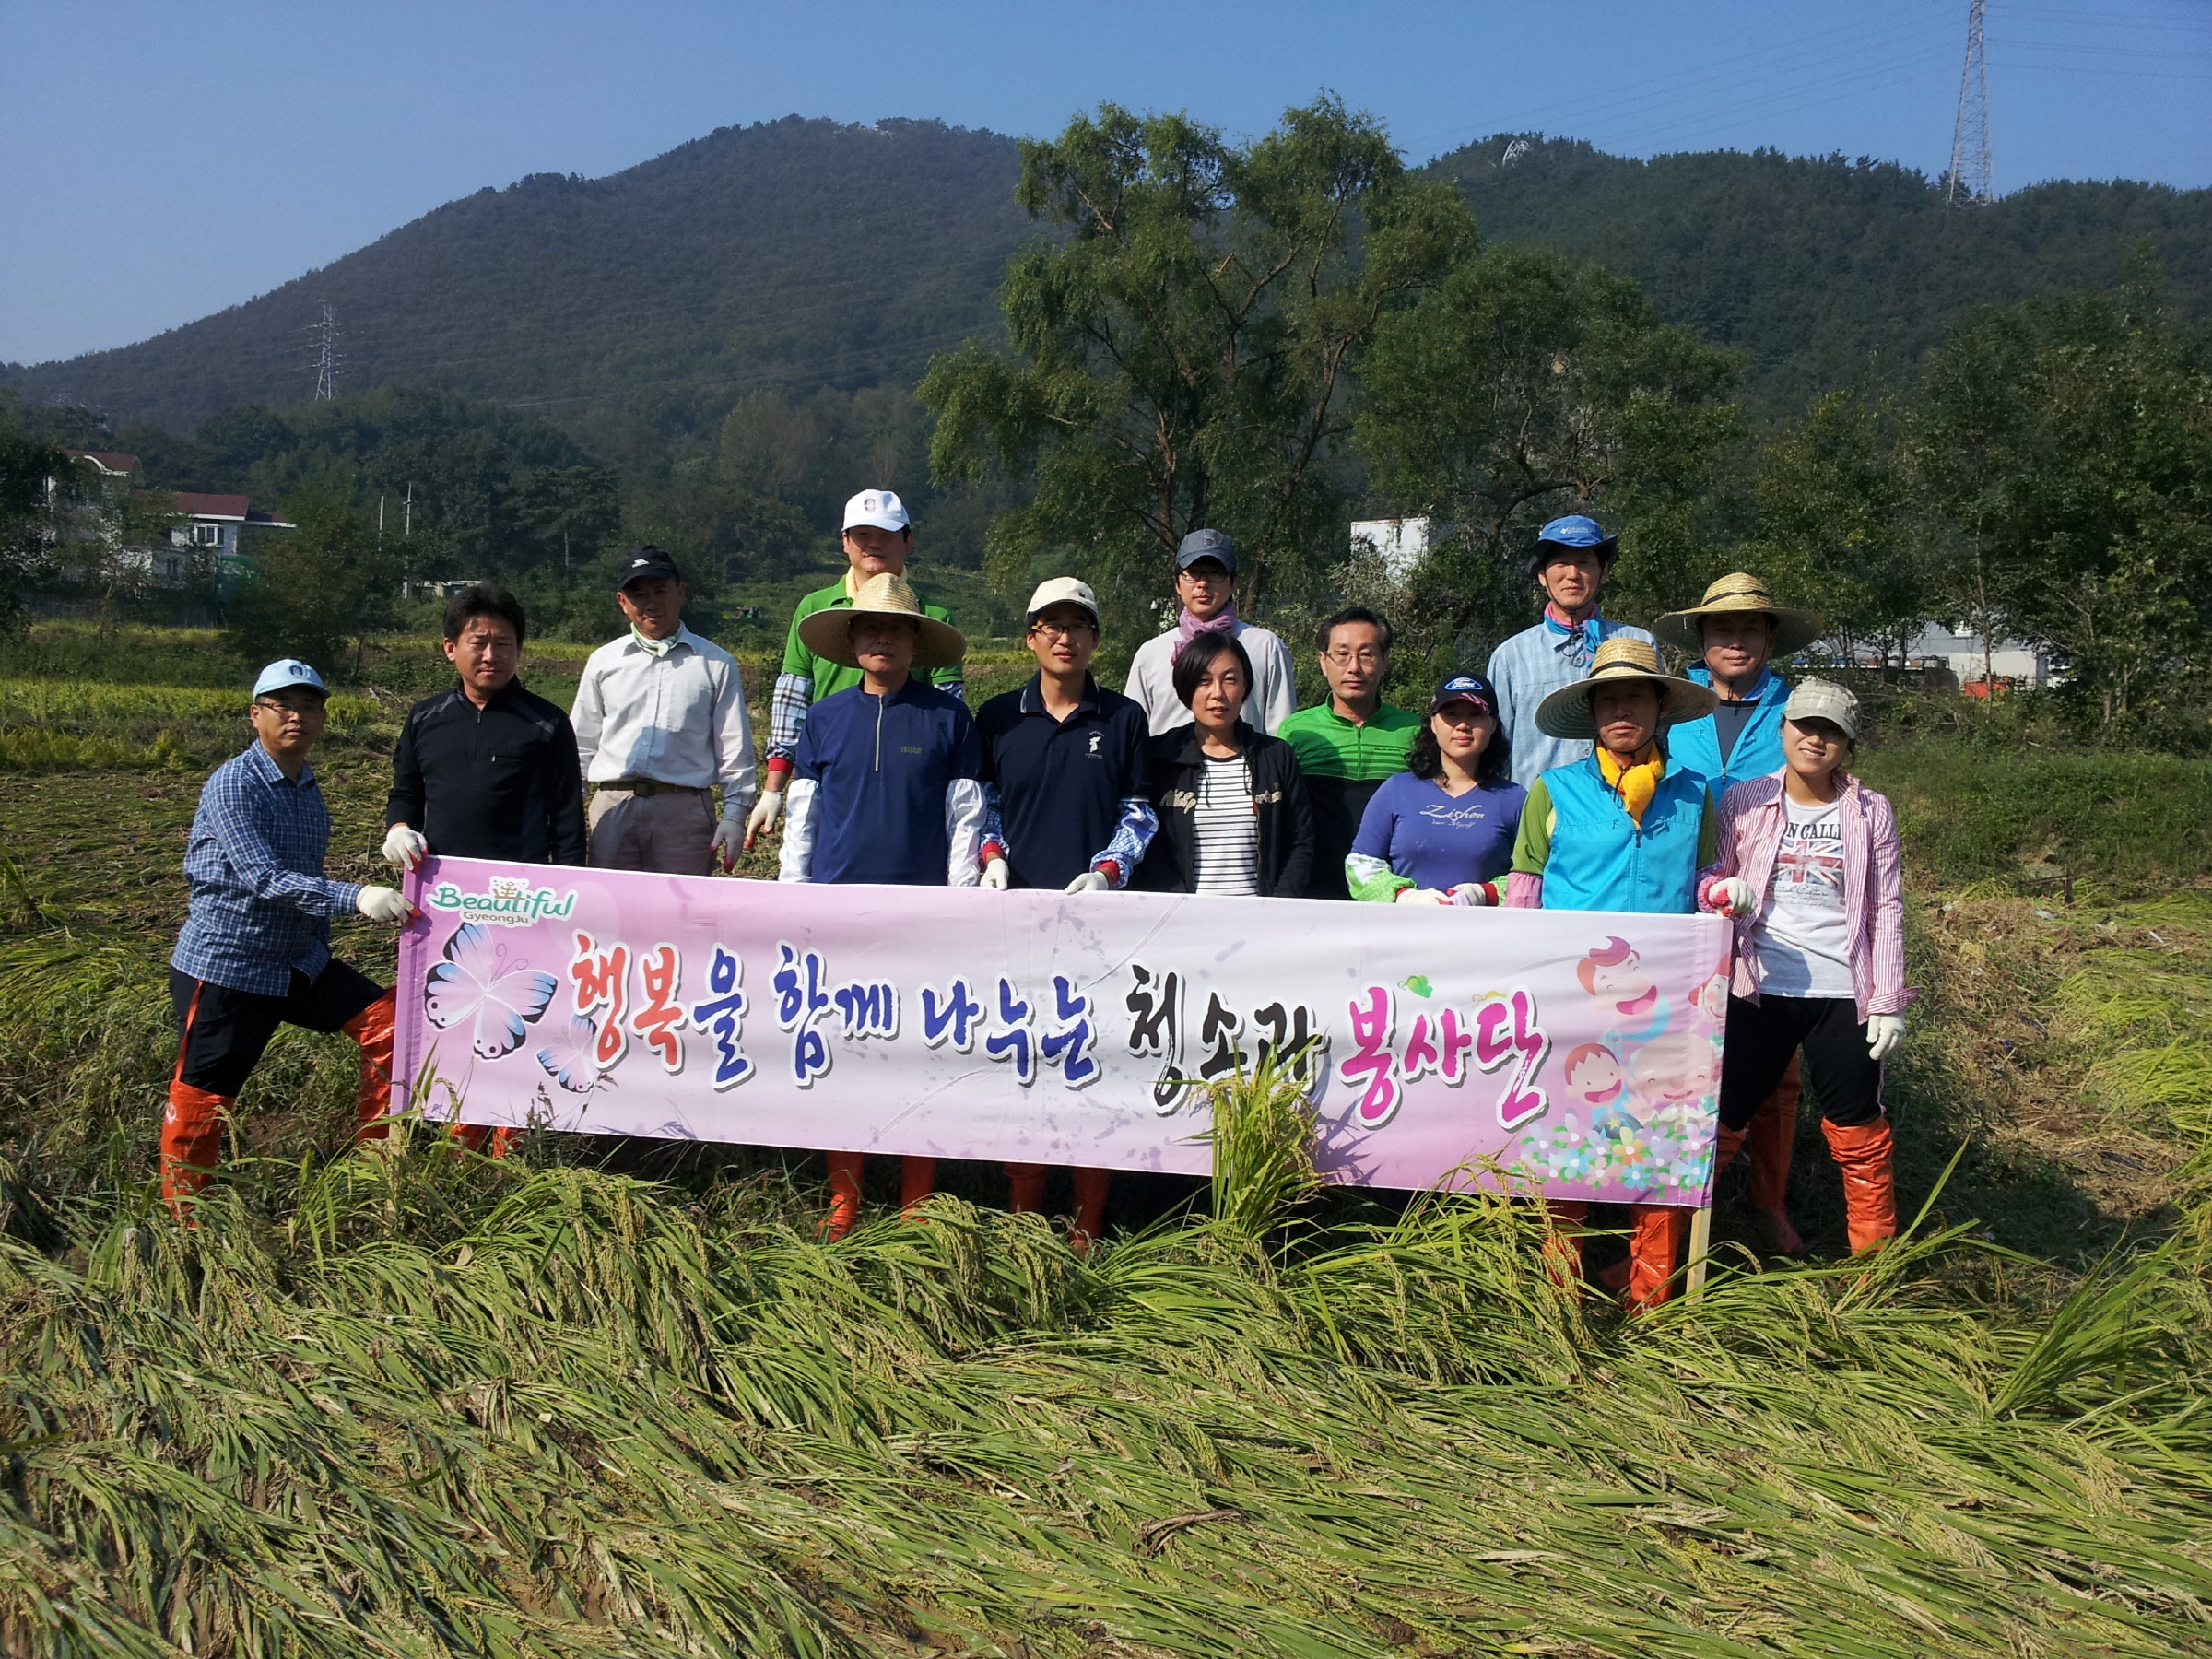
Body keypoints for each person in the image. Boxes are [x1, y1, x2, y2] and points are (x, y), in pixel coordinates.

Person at [1507, 637, 1719, 1312]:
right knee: (1565, 1139)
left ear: (1661, 706)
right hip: (1573, 1001)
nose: (1622, 708)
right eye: (1609, 698)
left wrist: (1722, 895)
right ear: (1592, 711)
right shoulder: (1554, 790)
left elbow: (1707, 880)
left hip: (1669, 1009)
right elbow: (1524, 891)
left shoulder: (1694, 795)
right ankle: (1557, 1286)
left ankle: (1650, 1289)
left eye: (1636, 695)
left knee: (1660, 1141)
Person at [162, 660, 415, 1213]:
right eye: (282, 706)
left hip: (299, 959)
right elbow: (263, 877)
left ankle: (375, 1170)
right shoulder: (235, 783)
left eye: (309, 706)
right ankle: (187, 1223)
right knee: (205, 1097)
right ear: (257, 716)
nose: (296, 717)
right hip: (231, 963)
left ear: (323, 717)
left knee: (397, 1034)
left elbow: (298, 875)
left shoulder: (306, 788)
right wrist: (357, 897)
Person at [779, 571, 987, 1239]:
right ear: (851, 639)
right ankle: (845, 1196)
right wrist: (794, 897)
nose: (882, 640)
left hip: (921, 916)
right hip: (840, 913)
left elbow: (965, 817)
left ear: (914, 641)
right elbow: (803, 816)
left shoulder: (948, 717)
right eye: (870, 628)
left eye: (896, 630)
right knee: (847, 1054)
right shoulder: (824, 718)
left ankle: (917, 1197)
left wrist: (957, 905)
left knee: (919, 1054)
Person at [975, 576, 1157, 1243]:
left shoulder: (1123, 718)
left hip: (1096, 923)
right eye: (1050, 625)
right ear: (1030, 637)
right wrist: (990, 857)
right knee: (1023, 1060)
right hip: (1013, 919)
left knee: (1092, 1062)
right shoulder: (996, 717)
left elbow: (1138, 813)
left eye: (1077, 626)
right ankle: (1023, 1211)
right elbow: (980, 808)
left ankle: (1089, 1216)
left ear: (1095, 640)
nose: (1064, 637)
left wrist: (1109, 872)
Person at [1700, 681, 1907, 1258]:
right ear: (1783, 729)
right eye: (1805, 726)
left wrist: (1887, 1000)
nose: (1816, 740)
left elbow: (1884, 905)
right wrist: (1718, 888)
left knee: (1860, 1129)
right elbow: (1711, 875)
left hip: (1843, 991)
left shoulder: (1870, 810)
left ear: (1849, 743)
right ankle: (1673, 1250)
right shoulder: (1744, 800)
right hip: (1757, 986)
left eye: (1832, 731)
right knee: (1720, 1123)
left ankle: (1873, 1264)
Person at [1653, 571, 1826, 1250]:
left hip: (1777, 909)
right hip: (1687, 901)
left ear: (1770, 638)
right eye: (1722, 628)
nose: (1735, 640)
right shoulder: (1675, 708)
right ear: (1701, 638)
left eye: (1749, 628)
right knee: (1681, 1054)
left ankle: (1768, 1201)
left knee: (1777, 1067)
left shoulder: (1799, 707)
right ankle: (1675, 1202)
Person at [747, 489, 963, 848]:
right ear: (845, 542)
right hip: (830, 771)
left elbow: (948, 712)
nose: (873, 545)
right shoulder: (815, 608)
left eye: (886, 536)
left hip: (908, 778)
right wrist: (773, 789)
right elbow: (792, 700)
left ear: (908, 541)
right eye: (862, 535)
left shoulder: (934, 616)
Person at [571, 547, 757, 876]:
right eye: (639, 595)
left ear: (680, 593)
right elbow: (582, 742)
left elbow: (733, 746)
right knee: (611, 910)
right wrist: (569, 808)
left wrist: (734, 815)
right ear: (622, 602)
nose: (651, 603)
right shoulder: (604, 661)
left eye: (661, 591)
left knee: (682, 914)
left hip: (683, 809)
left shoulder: (715, 663)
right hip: (614, 804)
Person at [382, 583, 587, 872]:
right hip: (439, 882)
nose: (491, 656)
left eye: (503, 644)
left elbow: (567, 819)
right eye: (478, 644)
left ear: (519, 649)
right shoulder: (423, 717)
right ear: (450, 648)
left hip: (518, 888)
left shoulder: (547, 722)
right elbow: (406, 793)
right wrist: (399, 829)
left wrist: (568, 884)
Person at [1135, 631, 1313, 898]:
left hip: (1262, 923)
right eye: (1204, 681)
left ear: (1245, 687)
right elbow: (1148, 844)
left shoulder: (1276, 756)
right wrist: (1180, 906)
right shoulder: (1161, 758)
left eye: (1230, 680)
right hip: (1182, 922)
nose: (1217, 693)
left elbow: (1301, 841)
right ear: (1186, 688)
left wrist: (1277, 907)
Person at [1487, 515, 1654, 788]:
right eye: (1561, 563)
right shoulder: (1511, 656)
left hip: (1628, 810)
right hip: (1542, 811)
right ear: (1542, 575)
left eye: (1584, 563)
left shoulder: (1638, 643)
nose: (1573, 574)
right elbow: (1495, 751)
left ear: (1605, 571)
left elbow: (1659, 733)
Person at [1278, 607, 1420, 900]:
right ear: (1323, 662)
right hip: (1314, 886)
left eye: (1366, 654)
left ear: (1384, 662)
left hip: (1393, 888)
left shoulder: (1417, 731)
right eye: (1342, 655)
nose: (1353, 667)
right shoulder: (1296, 731)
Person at [1346, 674, 1523, 906]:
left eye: (1476, 715)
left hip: (1485, 937)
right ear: (1433, 723)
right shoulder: (1396, 790)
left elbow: (1533, 876)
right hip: (1404, 935)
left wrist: (1485, 894)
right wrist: (1404, 896)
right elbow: (1359, 865)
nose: (1462, 725)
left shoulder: (1516, 799)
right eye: (1451, 714)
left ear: (1493, 725)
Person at [1122, 529, 1297, 738]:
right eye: (1193, 573)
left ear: (1234, 583)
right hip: (1168, 769)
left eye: (1215, 573)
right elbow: (1132, 733)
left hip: (1244, 768)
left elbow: (1281, 727)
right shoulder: (1151, 654)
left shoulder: (1265, 647)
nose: (1202, 583)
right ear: (1177, 584)